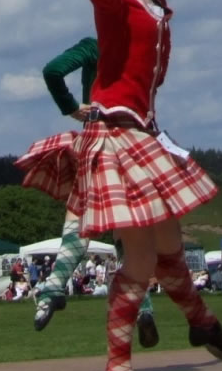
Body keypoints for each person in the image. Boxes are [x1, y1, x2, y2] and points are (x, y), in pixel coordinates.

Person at [52, 0, 222, 371]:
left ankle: (199, 320)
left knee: (169, 246)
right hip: (118, 133)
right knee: (141, 259)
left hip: (144, 129)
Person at [15, 35, 157, 347]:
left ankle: (52, 289)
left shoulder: (95, 45)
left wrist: (72, 107)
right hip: (134, 143)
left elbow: (53, 70)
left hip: (98, 140)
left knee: (79, 222)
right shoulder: (143, 45)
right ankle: (144, 307)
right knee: (128, 236)